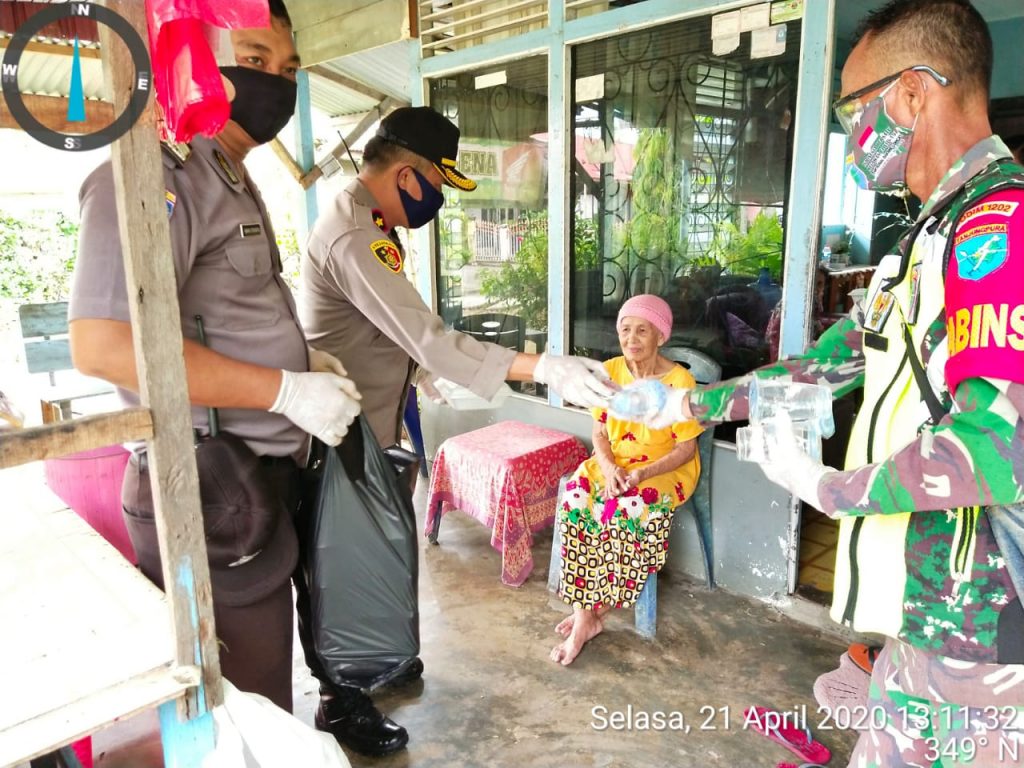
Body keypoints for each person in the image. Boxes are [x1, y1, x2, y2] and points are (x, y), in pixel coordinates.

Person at [638, 1, 1024, 764]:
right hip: (928, 615)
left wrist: (826, 486)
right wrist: (683, 399)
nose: (850, 132)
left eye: (855, 106)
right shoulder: (927, 238)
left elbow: (996, 447)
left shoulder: (999, 226)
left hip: (979, 626)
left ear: (914, 92)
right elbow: (828, 366)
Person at [68, 2, 406, 759]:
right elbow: (104, 343)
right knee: (247, 712)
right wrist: (283, 392)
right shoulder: (152, 176)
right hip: (207, 487)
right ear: (188, 58)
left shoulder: (229, 174)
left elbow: (223, 317)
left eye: (285, 71)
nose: (274, 86)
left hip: (256, 483)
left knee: (267, 691)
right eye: (252, 60)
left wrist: (302, 366)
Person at [299, 105, 617, 451]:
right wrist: (545, 368)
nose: (440, 199)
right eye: (437, 186)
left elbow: (386, 323)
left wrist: (418, 368)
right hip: (339, 442)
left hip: (365, 432)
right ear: (405, 177)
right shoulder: (354, 235)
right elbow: (427, 338)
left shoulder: (370, 223)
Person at [550, 295, 701, 666]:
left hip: (663, 468)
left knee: (625, 507)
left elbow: (685, 449)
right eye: (624, 329)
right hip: (614, 461)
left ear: (660, 336)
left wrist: (640, 474)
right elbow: (600, 431)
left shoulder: (679, 380)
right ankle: (587, 613)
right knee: (576, 498)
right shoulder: (610, 371)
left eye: (641, 330)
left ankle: (594, 609)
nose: (631, 339)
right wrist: (609, 467)